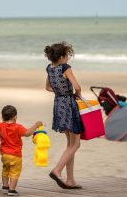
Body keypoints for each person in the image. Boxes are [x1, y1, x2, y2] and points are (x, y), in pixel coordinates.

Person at [44, 42, 83, 189]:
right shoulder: (65, 68)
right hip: (69, 105)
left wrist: (59, 92)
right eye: (67, 56)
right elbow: (77, 86)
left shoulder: (49, 68)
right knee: (76, 143)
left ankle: (70, 180)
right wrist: (76, 94)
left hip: (58, 104)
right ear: (61, 57)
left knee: (70, 144)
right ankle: (57, 170)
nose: (68, 59)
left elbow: (47, 87)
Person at [0, 105, 43, 196]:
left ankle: (5, 185)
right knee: (14, 172)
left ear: (2, 117)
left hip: (4, 155)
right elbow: (27, 133)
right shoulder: (18, 127)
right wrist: (36, 125)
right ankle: (12, 190)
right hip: (15, 155)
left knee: (5, 169)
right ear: (15, 117)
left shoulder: (1, 126)